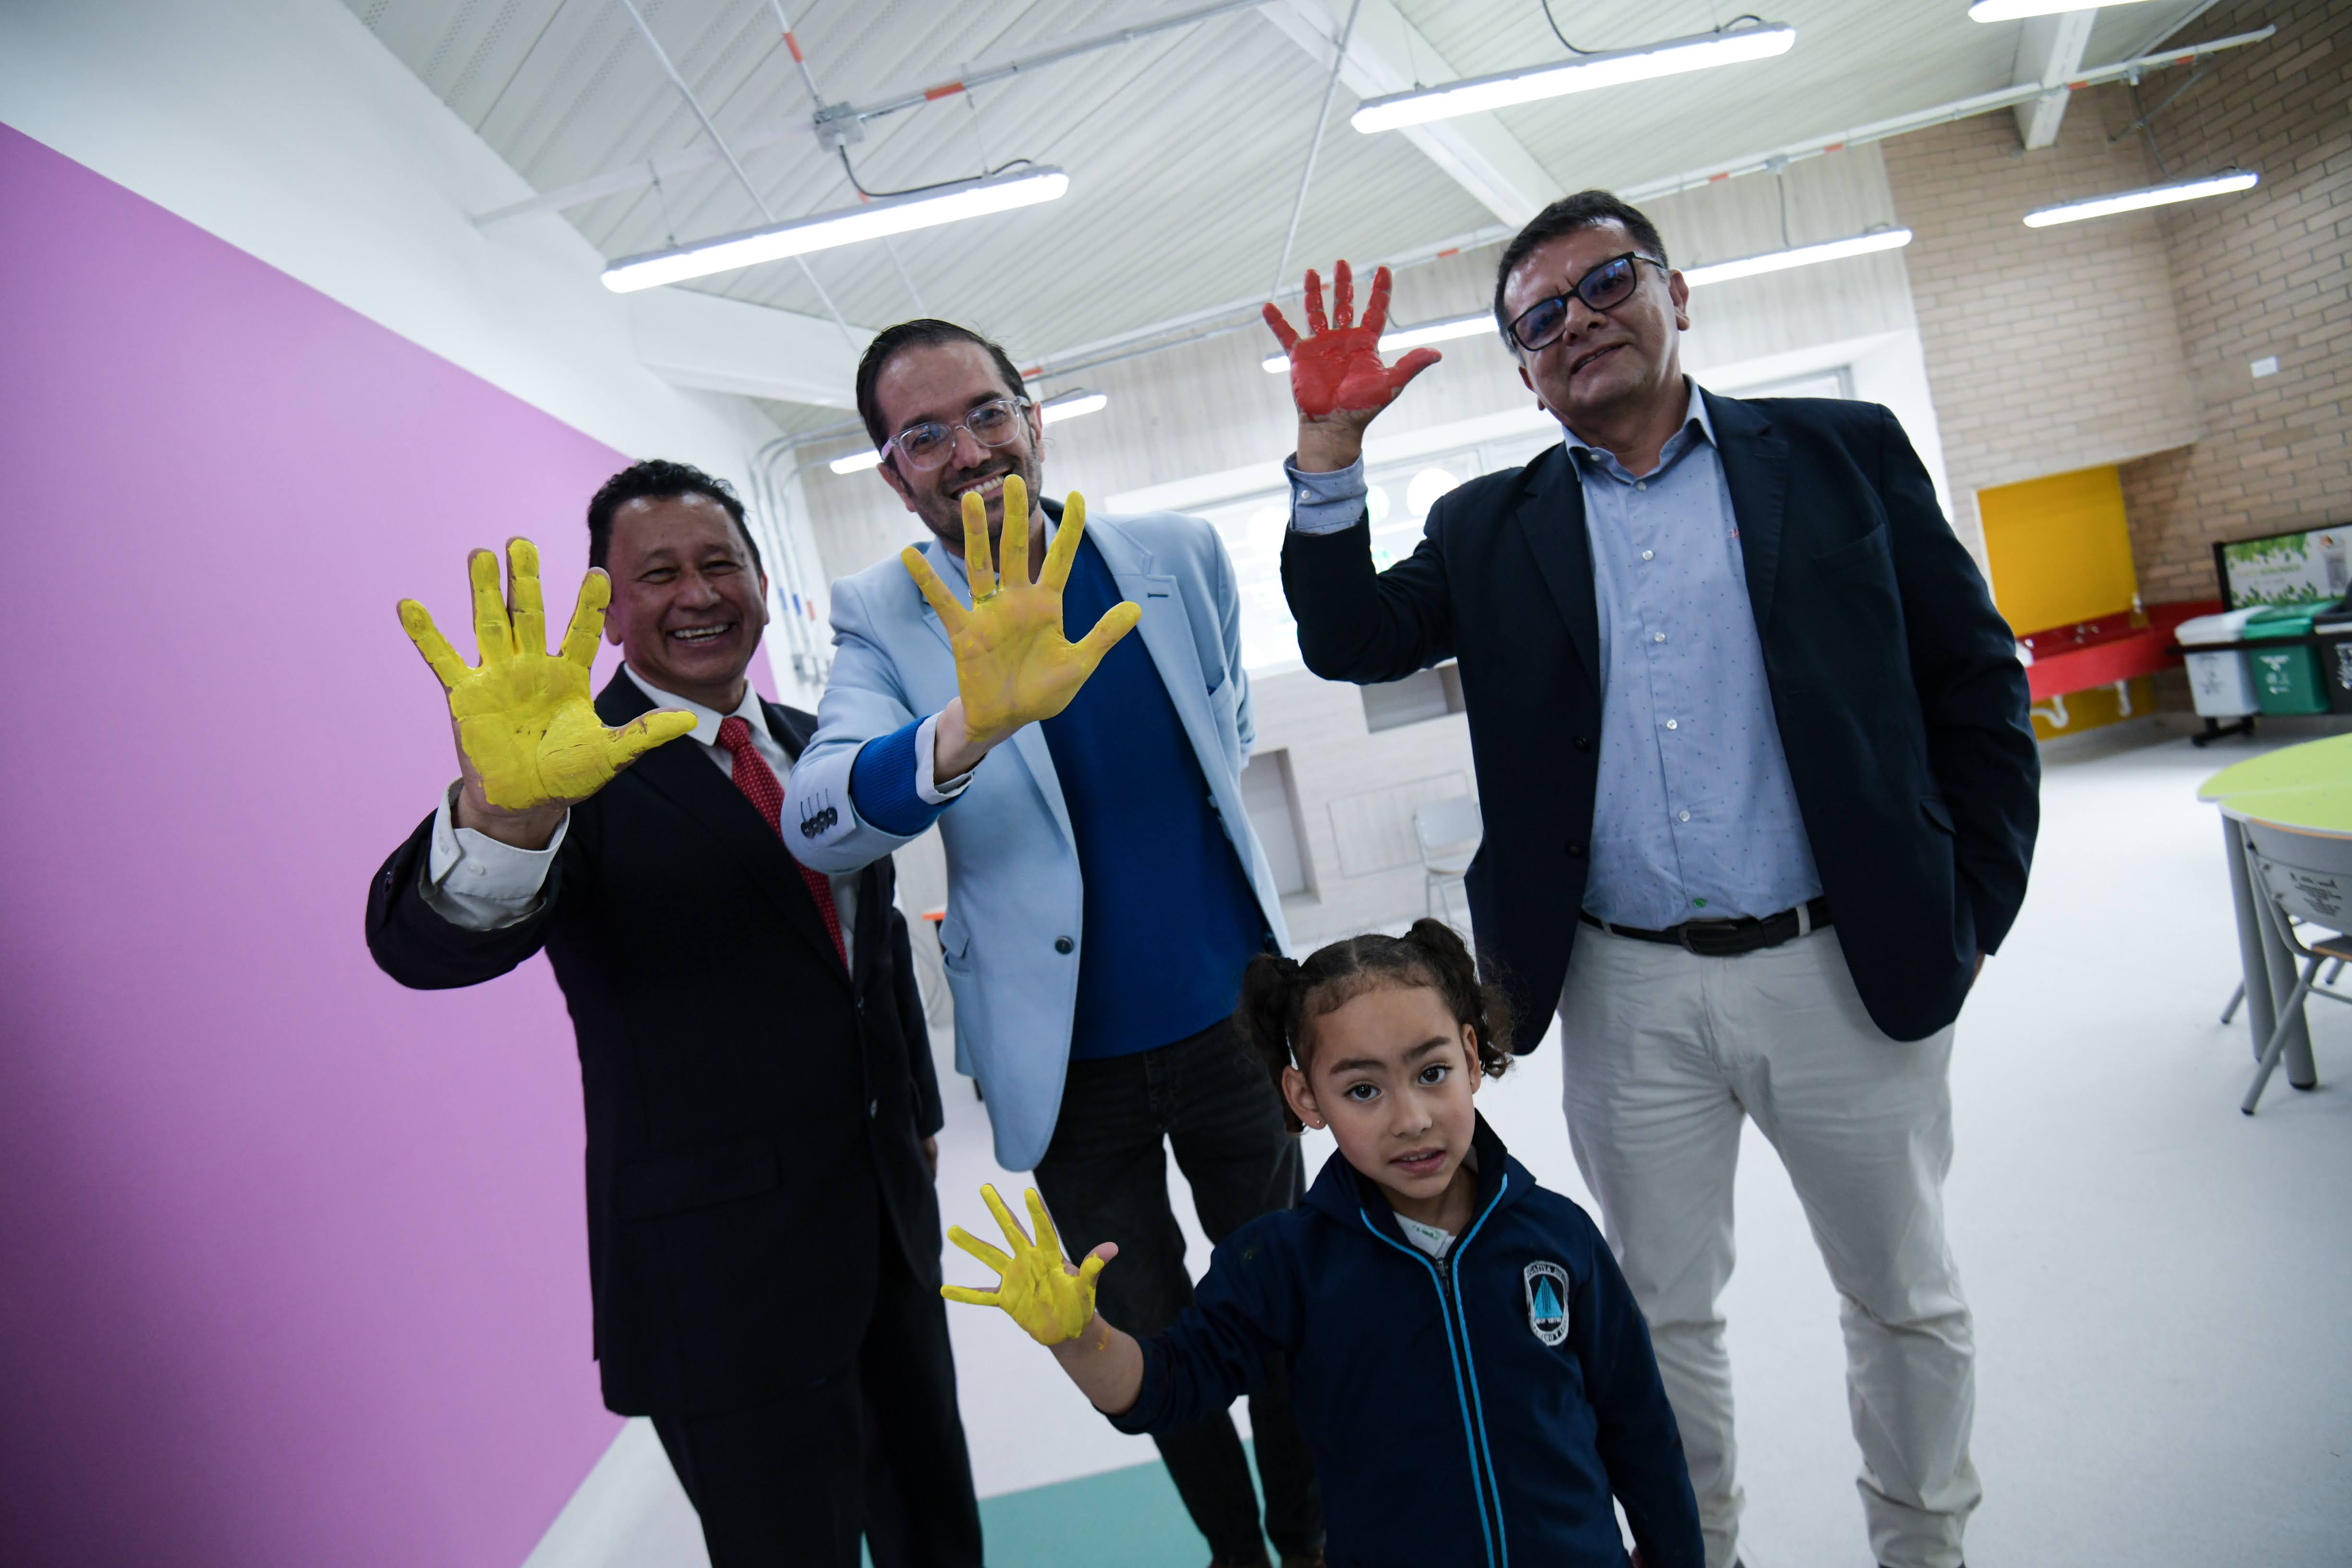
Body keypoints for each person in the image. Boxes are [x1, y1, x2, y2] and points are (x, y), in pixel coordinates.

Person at [1269, 193, 2039, 1568]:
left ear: (1675, 290)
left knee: (1903, 1295)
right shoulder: (1492, 524)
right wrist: (1330, 454)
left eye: (1604, 281)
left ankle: (1926, 1550)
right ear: (1522, 368)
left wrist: (1971, 906)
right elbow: (1348, 638)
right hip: (1624, 987)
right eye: (1539, 316)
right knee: (1658, 1316)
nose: (1579, 320)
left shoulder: (1840, 450)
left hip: (1841, 962)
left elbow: (1974, 680)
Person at [364, 461, 980, 1568]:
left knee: (940, 1536)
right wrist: (504, 815)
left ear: (756, 578)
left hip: (886, 1234)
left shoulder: (819, 743)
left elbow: (869, 953)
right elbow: (425, 946)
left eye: (718, 564)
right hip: (720, 1279)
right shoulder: (567, 769)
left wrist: (918, 1112)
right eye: (658, 574)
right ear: (608, 601)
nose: (697, 593)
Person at [785, 319, 1325, 1568]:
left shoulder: (1176, 555)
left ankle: (1309, 1540)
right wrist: (958, 733)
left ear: (1032, 415)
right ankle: (1234, 1553)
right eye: (924, 434)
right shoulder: (884, 612)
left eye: (986, 413)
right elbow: (821, 821)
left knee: (1292, 1303)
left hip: (1234, 1022)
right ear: (890, 470)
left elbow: (1224, 726)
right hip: (1065, 1068)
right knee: (1142, 1333)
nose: (967, 450)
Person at [939, 919, 1707, 1568]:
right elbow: (1165, 1386)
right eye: (1363, 1089)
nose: (1409, 1117)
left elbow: (1641, 1431)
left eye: (1432, 1071)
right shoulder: (1280, 1263)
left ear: (1472, 1059)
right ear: (1306, 1098)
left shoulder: (1558, 1236)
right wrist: (1081, 1338)